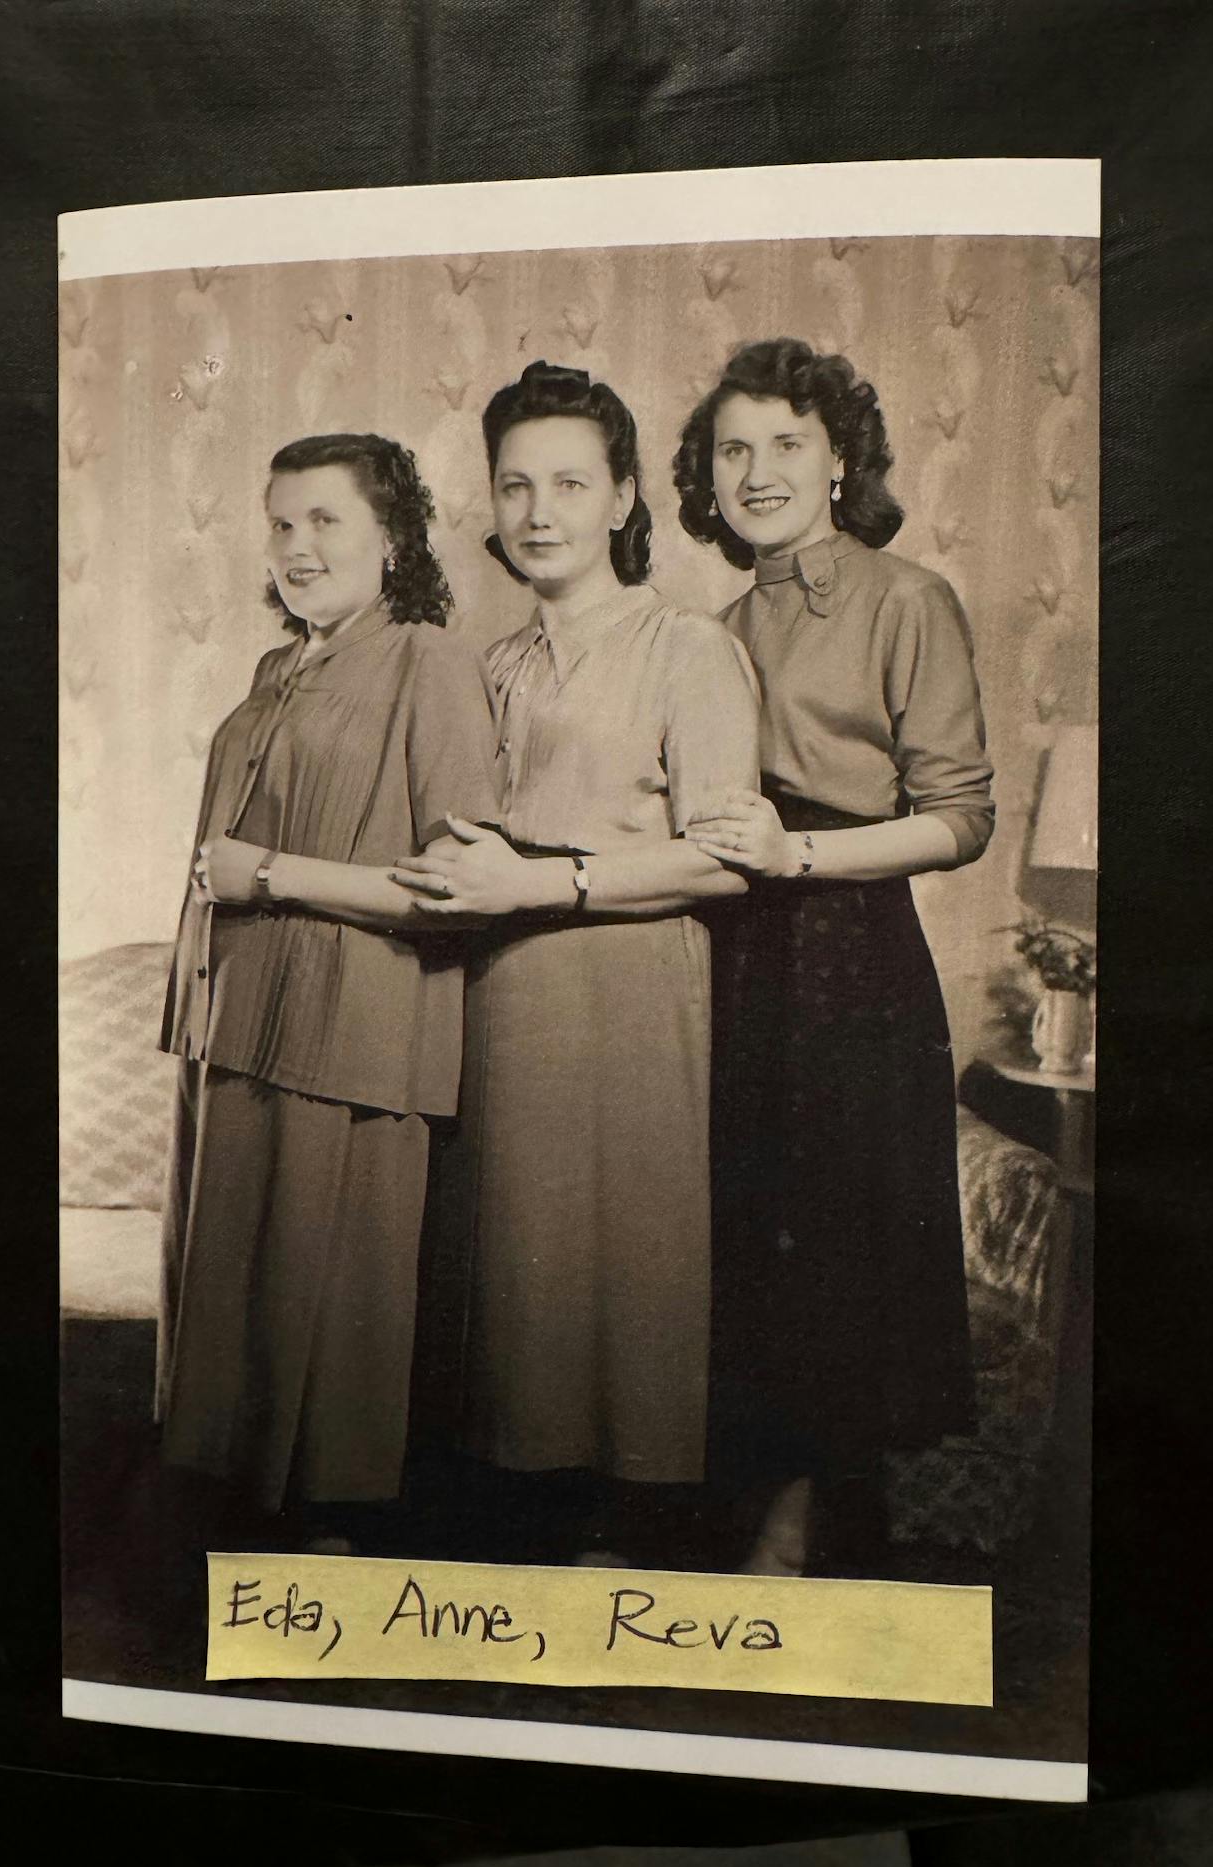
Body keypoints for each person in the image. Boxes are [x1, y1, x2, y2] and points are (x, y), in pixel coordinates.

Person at [391, 361, 761, 1566]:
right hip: (499, 998)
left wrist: (544, 881)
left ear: (620, 499)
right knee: (510, 1285)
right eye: (513, 486)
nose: (538, 510)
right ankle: (515, 1553)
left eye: (567, 481)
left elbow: (723, 861)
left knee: (622, 1273)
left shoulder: (686, 647)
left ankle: (626, 1545)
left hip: (632, 998)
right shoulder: (486, 666)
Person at [673, 337, 995, 1578]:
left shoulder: (905, 599)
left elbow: (959, 819)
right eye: (731, 449)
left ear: (839, 460)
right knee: (737, 1228)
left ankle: (804, 1524)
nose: (755, 472)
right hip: (726, 944)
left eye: (785, 445)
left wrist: (797, 857)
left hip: (849, 952)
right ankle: (739, 1509)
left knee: (837, 1240)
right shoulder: (709, 627)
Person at [157, 432, 500, 1554]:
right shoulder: (279, 668)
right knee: (243, 1318)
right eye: (281, 523)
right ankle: (245, 1555)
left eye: (326, 522)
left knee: (335, 1319)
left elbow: (460, 889)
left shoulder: (428, 661)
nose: (296, 548)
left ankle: (331, 1562)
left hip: (357, 1025)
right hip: (246, 1016)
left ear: (393, 537)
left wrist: (274, 876)